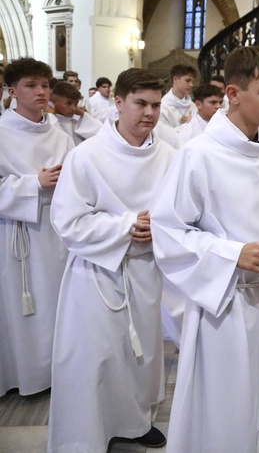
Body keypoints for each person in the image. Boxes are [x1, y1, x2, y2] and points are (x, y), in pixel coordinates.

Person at [150, 46, 259, 453]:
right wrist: (232, 253)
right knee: (223, 405)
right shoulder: (199, 155)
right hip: (223, 304)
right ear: (233, 93)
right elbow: (168, 230)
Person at [48, 68, 174, 452]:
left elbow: (181, 212)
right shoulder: (86, 155)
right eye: (140, 103)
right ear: (117, 103)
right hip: (97, 272)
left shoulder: (170, 155)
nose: (149, 113)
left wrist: (162, 228)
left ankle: (133, 423)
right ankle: (88, 434)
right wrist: (124, 226)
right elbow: (67, 221)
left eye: (155, 105)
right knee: (97, 357)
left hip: (146, 270)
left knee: (142, 356)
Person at [0, 57, 74, 397]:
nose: (41, 91)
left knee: (57, 302)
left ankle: (56, 370)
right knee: (22, 305)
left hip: (56, 232)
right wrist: (33, 184)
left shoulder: (59, 133)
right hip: (16, 232)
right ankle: (23, 374)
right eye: (31, 85)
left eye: (45, 85)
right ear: (12, 91)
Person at [159, 64, 197, 128]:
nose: (191, 85)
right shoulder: (163, 106)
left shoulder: (193, 106)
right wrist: (188, 125)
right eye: (188, 81)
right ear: (175, 79)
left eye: (192, 81)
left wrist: (193, 123)